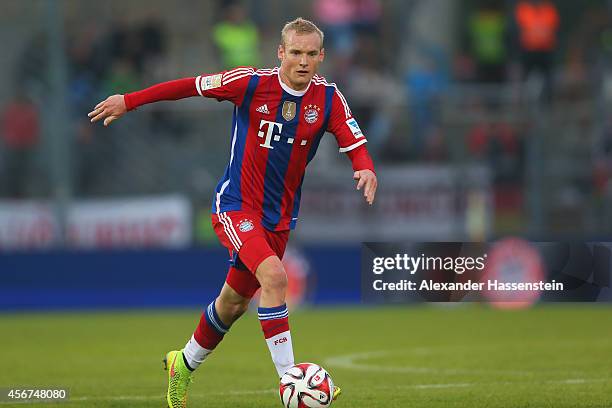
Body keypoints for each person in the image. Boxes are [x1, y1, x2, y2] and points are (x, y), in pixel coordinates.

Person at [89, 17, 377, 408]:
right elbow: (188, 86)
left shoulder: (327, 98)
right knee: (275, 276)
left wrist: (365, 166)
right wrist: (130, 100)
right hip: (236, 206)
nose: (303, 61)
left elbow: (352, 138)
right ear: (281, 53)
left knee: (233, 303)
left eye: (311, 54)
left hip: (279, 219)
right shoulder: (252, 83)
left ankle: (183, 364)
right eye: (295, 52)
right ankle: (292, 384)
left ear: (322, 56)